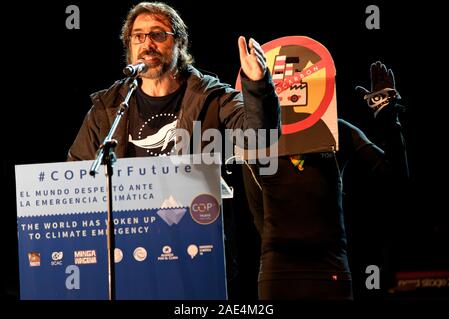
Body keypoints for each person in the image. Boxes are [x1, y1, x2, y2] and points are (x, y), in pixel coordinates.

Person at [241, 61, 409, 300]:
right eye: (284, 84)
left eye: (300, 84)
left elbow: (396, 180)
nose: (291, 89)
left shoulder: (336, 130)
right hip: (279, 274)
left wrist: (387, 118)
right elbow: (258, 215)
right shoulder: (258, 142)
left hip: (329, 272)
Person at [67, 1, 279, 161]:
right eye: (138, 36)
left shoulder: (213, 96)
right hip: (131, 218)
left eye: (158, 35)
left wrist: (257, 84)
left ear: (179, 43)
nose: (147, 44)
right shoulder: (107, 107)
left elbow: (259, 137)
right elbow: (77, 171)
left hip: (196, 213)